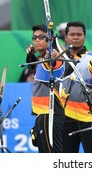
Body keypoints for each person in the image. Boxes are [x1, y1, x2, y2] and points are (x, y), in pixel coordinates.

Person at [60, 21, 92, 153]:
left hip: (90, 118)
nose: (75, 37)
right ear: (65, 37)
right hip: (64, 118)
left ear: (84, 37)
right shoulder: (58, 60)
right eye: (72, 34)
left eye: (79, 34)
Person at [27, 24, 65, 153]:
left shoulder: (52, 56)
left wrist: (53, 54)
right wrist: (31, 54)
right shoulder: (40, 59)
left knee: (52, 153)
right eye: (35, 37)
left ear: (50, 39)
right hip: (41, 113)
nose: (37, 40)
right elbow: (34, 68)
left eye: (41, 37)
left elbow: (54, 62)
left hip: (50, 112)